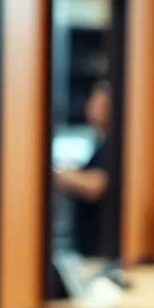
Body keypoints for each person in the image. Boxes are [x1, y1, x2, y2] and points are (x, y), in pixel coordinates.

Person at [54, 82, 113, 257]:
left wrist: (56, 174)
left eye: (95, 101)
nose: (89, 105)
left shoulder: (114, 146)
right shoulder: (99, 142)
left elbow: (95, 185)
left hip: (99, 248)